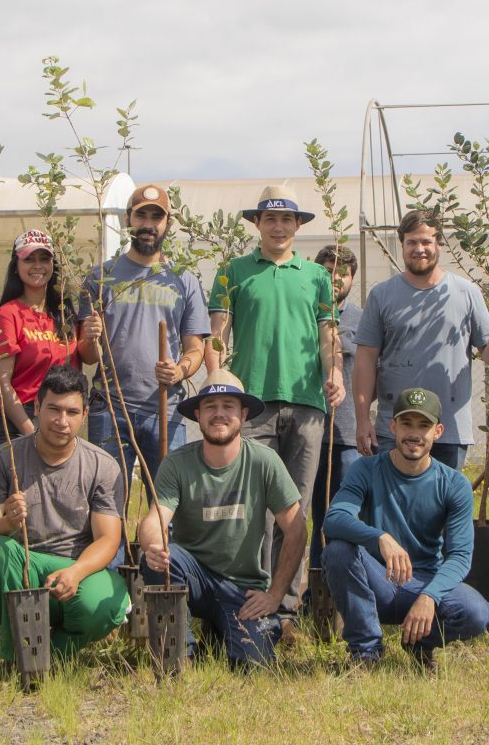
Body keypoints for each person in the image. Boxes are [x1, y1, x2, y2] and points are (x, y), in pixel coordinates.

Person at [206, 185, 343, 611]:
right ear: (258, 224)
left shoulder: (318, 277)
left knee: (294, 510)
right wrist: (217, 383)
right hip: (252, 407)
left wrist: (334, 371)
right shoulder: (232, 271)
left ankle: (286, 607)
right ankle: (249, 598)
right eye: (271, 219)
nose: (279, 226)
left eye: (287, 219)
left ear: (298, 225)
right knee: (254, 509)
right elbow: (216, 337)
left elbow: (328, 337)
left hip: (307, 407)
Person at [138, 371, 305, 668]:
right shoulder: (177, 463)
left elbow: (296, 529)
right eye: (211, 406)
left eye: (228, 406)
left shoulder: (264, 462)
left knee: (253, 664)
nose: (219, 414)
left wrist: (275, 595)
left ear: (243, 414)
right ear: (198, 415)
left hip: (243, 586)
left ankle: (225, 631)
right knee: (164, 558)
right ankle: (181, 653)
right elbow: (155, 519)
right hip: (193, 578)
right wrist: (153, 543)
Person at [0, 365, 129, 663]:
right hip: (23, 569)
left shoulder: (102, 466)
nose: (61, 421)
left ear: (83, 416)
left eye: (71, 412)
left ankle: (51, 654)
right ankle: (19, 651)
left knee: (107, 604)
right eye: (53, 409)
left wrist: (76, 572)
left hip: (74, 571)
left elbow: (108, 539)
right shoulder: (6, 459)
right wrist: (7, 522)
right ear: (37, 407)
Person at [322, 388, 489, 668]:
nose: (414, 434)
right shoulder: (366, 469)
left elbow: (461, 556)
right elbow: (334, 518)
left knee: (477, 613)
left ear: (438, 431)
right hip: (377, 581)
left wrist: (429, 596)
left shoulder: (453, 484)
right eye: (406, 424)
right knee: (338, 551)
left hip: (425, 581)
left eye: (423, 425)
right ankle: (366, 654)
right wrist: (379, 537)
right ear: (393, 427)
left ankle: (419, 644)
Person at [79, 184, 209, 501]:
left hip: (166, 410)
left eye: (157, 216)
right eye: (142, 216)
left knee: (166, 506)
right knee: (106, 504)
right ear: (128, 220)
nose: (149, 224)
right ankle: (115, 553)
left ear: (167, 224)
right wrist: (91, 337)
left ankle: (155, 553)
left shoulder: (183, 280)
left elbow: (196, 348)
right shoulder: (100, 277)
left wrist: (180, 371)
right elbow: (87, 356)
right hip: (110, 406)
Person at [353, 210, 489, 470]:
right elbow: (365, 359)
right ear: (401, 245)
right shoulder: (381, 295)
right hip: (394, 430)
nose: (419, 249)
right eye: (411, 242)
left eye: (426, 242)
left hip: (448, 430)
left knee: (441, 508)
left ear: (439, 243)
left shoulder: (467, 293)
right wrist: (361, 420)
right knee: (389, 507)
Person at [0, 229, 75, 449]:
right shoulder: (7, 315)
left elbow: (83, 363)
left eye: (44, 259)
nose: (38, 265)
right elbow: (1, 384)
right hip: (19, 418)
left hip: (58, 419)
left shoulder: (65, 316)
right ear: (16, 267)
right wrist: (31, 431)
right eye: (29, 259)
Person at [309, 244, 363, 580]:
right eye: (328, 271)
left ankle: (343, 587)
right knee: (314, 514)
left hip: (347, 436)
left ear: (352, 278)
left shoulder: (364, 318)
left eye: (342, 272)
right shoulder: (305, 314)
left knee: (343, 516)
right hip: (310, 430)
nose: (335, 278)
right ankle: (315, 589)